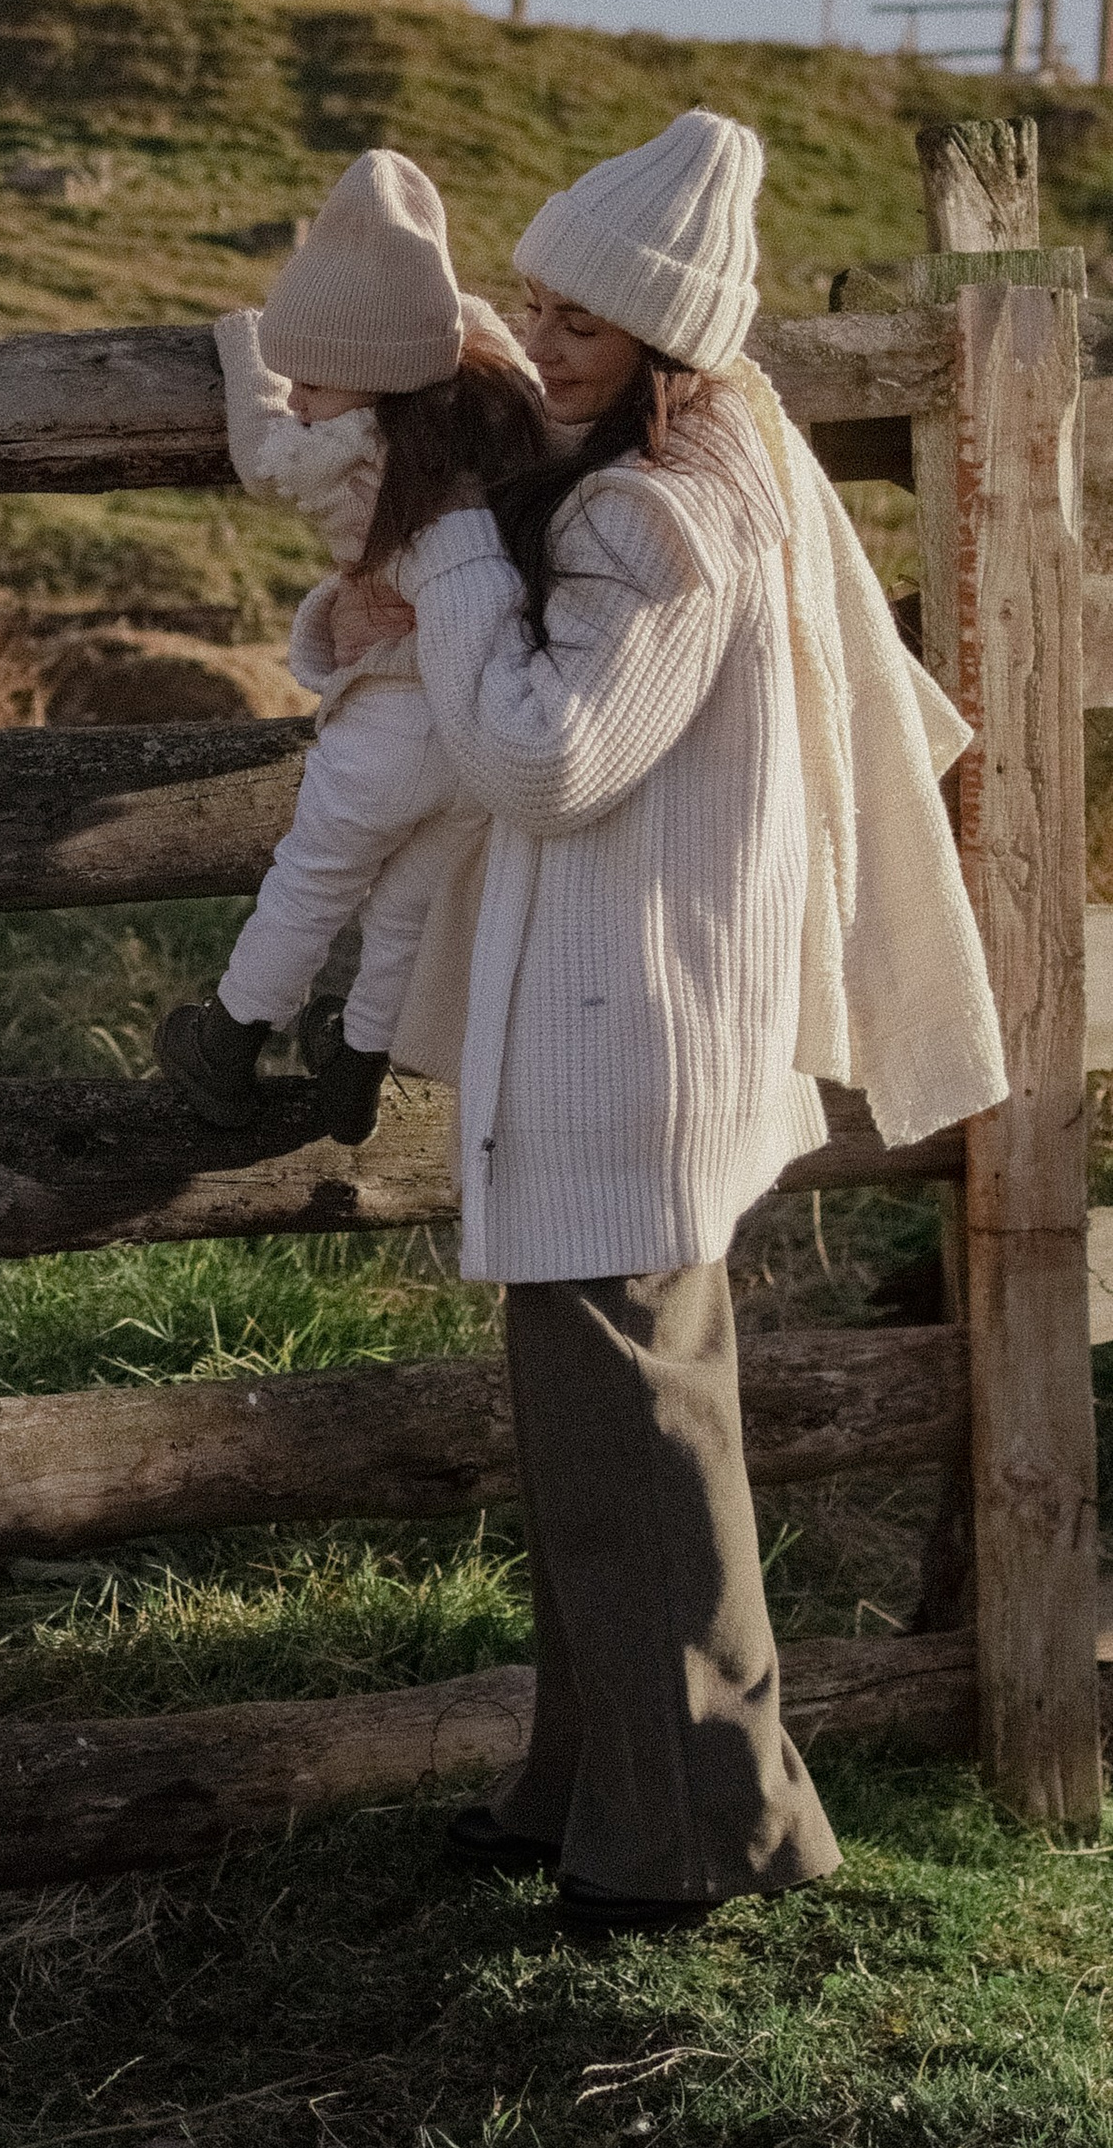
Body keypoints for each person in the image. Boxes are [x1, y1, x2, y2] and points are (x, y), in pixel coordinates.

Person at [375, 109, 1002, 1939]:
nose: (549, 337)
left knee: (643, 1445)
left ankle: (714, 1833)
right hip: (625, 1016)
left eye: (588, 319)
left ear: (672, 338)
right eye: (538, 298)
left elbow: (549, 755)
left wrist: (455, 563)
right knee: (601, 1440)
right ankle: (594, 1793)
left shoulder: (664, 511)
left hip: (624, 1031)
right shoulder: (694, 454)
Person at [155, 149, 548, 1155]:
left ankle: (230, 1039)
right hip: (477, 721)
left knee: (313, 880)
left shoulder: (329, 450)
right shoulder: (490, 415)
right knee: (408, 903)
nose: (302, 395)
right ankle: (357, 1067)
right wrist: (454, 315)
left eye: (313, 377)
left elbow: (258, 447)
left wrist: (243, 345)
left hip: (386, 713)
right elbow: (496, 349)